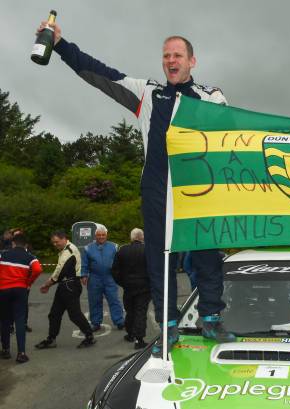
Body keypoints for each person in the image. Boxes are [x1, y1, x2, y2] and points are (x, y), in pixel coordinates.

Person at [38, 20, 234, 357]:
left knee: (207, 254)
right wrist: (60, 44)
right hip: (158, 190)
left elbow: (229, 135)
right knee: (159, 260)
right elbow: (99, 73)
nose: (170, 61)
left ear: (192, 61)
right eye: (165, 56)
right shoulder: (147, 92)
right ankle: (169, 326)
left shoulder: (210, 95)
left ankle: (212, 317)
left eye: (177, 55)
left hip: (198, 190)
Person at [36, 231, 96, 349]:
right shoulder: (64, 250)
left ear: (64, 239)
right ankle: (51, 339)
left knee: (74, 314)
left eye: (57, 242)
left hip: (70, 286)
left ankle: (90, 337)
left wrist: (47, 284)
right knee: (54, 314)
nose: (55, 244)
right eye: (53, 242)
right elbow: (59, 271)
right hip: (65, 285)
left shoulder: (69, 251)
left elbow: (59, 272)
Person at [0, 233, 43, 363]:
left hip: (3, 290)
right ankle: (21, 353)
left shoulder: (3, 254)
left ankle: (6, 350)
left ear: (13, 243)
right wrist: (28, 282)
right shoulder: (30, 256)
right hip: (20, 290)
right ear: (25, 245)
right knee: (20, 320)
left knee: (5, 320)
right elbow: (38, 269)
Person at [111, 228, 150, 349]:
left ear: (131, 237)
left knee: (130, 310)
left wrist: (122, 283)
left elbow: (115, 270)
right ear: (142, 237)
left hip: (128, 287)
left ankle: (130, 334)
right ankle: (139, 339)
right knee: (140, 312)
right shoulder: (148, 250)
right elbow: (153, 269)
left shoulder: (122, 251)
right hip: (144, 287)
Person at [81, 225, 124, 331]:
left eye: (103, 235)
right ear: (95, 236)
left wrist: (120, 274)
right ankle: (95, 323)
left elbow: (120, 262)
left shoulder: (114, 247)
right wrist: (84, 275)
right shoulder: (88, 248)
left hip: (110, 277)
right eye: (99, 235)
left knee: (114, 300)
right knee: (94, 301)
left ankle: (119, 321)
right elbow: (84, 264)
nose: (101, 237)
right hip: (94, 278)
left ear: (106, 235)